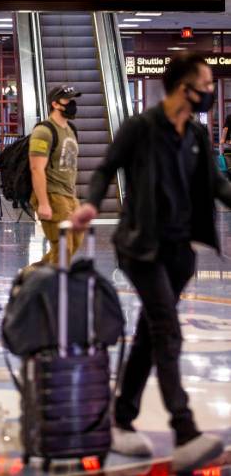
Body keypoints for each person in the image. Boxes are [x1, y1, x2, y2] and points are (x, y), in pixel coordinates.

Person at [70, 53, 227, 472]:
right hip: (141, 248)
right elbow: (105, 168)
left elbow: (216, 184)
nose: (210, 91)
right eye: (207, 84)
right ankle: (185, 431)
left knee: (149, 335)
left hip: (179, 252)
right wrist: (88, 205)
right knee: (166, 330)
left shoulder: (195, 133)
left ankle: (120, 417)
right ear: (183, 88)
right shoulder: (140, 128)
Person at [29, 84, 83, 265]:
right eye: (68, 100)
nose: (72, 103)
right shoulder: (43, 131)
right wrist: (43, 203)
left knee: (75, 243)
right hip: (52, 195)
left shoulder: (71, 130)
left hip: (69, 195)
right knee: (63, 249)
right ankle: (54, 290)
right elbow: (36, 169)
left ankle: (32, 277)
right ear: (55, 104)